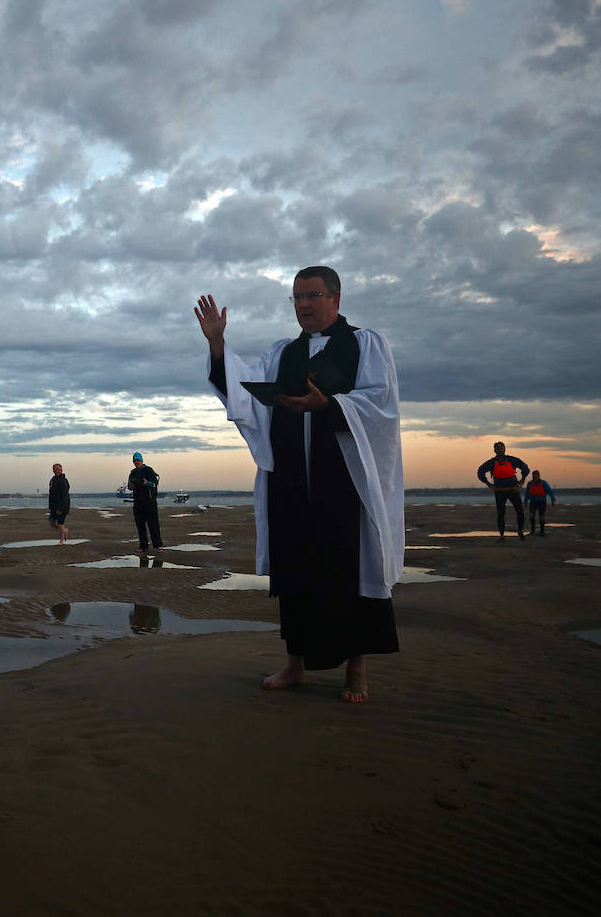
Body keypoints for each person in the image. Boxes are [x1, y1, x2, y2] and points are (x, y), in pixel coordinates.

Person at [194, 265, 403, 703]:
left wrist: (329, 405)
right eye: (296, 298)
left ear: (336, 298)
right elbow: (248, 393)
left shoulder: (365, 345)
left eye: (312, 296)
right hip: (290, 478)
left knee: (351, 565)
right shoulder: (284, 352)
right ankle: (295, 664)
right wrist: (218, 345)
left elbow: (379, 405)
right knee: (295, 571)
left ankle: (356, 668)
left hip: (345, 478)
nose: (303, 305)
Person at [477, 441, 529, 541]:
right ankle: (502, 535)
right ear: (495, 450)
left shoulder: (511, 460)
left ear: (504, 449)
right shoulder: (492, 462)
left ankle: (520, 531)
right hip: (500, 491)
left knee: (519, 512)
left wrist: (522, 480)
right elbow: (480, 471)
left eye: (501, 448)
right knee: (501, 513)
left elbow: (525, 468)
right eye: (498, 449)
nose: (500, 450)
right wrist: (488, 483)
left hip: (512, 490)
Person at [128, 452, 163, 553]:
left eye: (138, 460)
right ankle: (143, 546)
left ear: (142, 460)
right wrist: (133, 485)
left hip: (149, 501)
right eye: (135, 460)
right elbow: (130, 485)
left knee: (153, 524)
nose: (136, 462)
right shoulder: (133, 472)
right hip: (138, 502)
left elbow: (154, 483)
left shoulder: (148, 470)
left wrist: (146, 482)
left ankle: (158, 545)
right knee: (140, 525)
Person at [524, 470, 557, 536]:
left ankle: (542, 532)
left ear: (538, 475)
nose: (535, 477)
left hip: (542, 501)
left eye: (536, 475)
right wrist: (525, 501)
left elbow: (549, 491)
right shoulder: (530, 483)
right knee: (531, 516)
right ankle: (532, 531)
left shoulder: (543, 483)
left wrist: (553, 500)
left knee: (541, 516)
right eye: (533, 475)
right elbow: (527, 493)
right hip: (533, 502)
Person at [48, 463, 70, 543]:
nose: (57, 471)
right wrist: (51, 506)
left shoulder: (63, 480)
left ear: (61, 470)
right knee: (51, 522)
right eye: (55, 469)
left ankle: (61, 541)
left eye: (58, 469)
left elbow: (65, 495)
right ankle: (65, 530)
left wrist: (61, 508)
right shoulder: (53, 479)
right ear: (53, 470)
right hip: (54, 505)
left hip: (62, 505)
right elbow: (51, 493)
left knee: (61, 523)